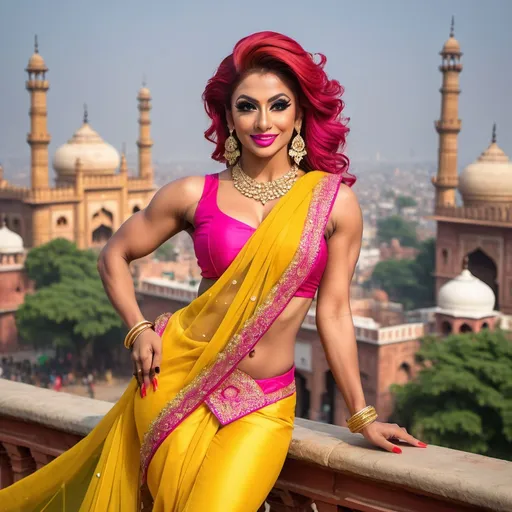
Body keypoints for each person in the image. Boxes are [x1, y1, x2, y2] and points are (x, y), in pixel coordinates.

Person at [0, 31, 425, 511]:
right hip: (176, 382)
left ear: (300, 113)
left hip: (263, 402)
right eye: (247, 107)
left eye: (278, 104)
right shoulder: (192, 194)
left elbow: (334, 312)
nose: (263, 121)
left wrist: (362, 415)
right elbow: (112, 255)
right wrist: (139, 328)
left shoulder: (333, 203)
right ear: (227, 118)